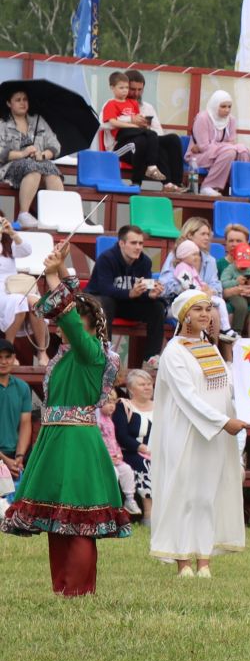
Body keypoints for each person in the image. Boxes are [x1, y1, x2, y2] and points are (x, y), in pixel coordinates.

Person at [1, 258, 129, 595]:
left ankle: (78, 591)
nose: (59, 325)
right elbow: (66, 313)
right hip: (56, 439)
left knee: (79, 520)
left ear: (87, 325)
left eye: (69, 321)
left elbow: (68, 316)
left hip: (76, 441)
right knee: (59, 520)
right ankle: (61, 589)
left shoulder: (92, 353)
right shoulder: (71, 354)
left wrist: (57, 274)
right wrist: (57, 272)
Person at [148, 288, 247, 576]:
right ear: (185, 316)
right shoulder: (174, 352)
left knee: (206, 495)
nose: (205, 314)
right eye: (198, 310)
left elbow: (225, 389)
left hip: (215, 434)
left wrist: (239, 415)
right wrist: (221, 422)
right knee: (185, 494)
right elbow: (187, 396)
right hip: (186, 431)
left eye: (208, 309)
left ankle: (203, 559)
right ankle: (182, 561)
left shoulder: (212, 348)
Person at [86, 225, 167, 351]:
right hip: (101, 304)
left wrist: (150, 294)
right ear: (122, 244)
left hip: (126, 304)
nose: (138, 247)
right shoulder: (106, 258)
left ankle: (152, 359)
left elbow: (143, 288)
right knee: (106, 302)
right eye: (134, 243)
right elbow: (105, 289)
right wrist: (130, 293)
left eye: (141, 243)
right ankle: (105, 353)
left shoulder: (145, 262)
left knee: (157, 307)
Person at [103, 69, 185, 189]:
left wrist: (145, 127)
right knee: (147, 142)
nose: (136, 94)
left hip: (145, 140)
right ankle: (154, 181)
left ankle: (176, 184)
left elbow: (158, 132)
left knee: (172, 139)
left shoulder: (147, 107)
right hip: (123, 146)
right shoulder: (110, 103)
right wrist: (130, 120)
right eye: (132, 89)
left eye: (139, 90)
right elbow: (104, 124)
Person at [0, 86, 67, 224]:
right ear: (9, 103)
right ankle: (23, 214)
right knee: (33, 167)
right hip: (9, 167)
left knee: (52, 170)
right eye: (18, 100)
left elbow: (55, 145)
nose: (22, 103)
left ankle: (57, 214)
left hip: (38, 163)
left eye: (25, 99)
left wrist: (42, 155)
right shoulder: (3, 124)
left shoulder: (38, 121)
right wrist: (22, 153)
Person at [0, 219, 52, 364]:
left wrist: (11, 233)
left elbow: (26, 250)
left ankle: (42, 351)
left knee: (36, 302)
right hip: (2, 292)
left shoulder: (7, 243)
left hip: (13, 285)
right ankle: (9, 350)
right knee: (18, 301)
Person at [187, 90, 250, 196]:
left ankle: (242, 188)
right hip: (198, 157)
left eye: (229, 106)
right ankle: (208, 186)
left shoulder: (231, 120)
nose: (227, 110)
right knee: (230, 152)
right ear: (215, 105)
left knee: (243, 151)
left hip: (218, 154)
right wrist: (225, 147)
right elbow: (204, 147)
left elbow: (231, 142)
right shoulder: (202, 118)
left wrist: (222, 146)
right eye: (223, 106)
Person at [114, 366, 155, 517]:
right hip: (130, 452)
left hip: (155, 451)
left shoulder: (160, 407)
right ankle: (149, 514)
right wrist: (142, 448)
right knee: (146, 464)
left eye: (149, 384)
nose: (147, 387)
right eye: (142, 384)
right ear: (131, 388)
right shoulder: (124, 405)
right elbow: (122, 436)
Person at [97, 389, 138, 518]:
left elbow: (113, 440)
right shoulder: (97, 420)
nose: (111, 406)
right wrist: (107, 458)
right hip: (102, 459)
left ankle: (129, 499)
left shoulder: (109, 420)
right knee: (112, 473)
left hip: (115, 457)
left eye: (113, 402)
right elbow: (98, 443)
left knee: (126, 470)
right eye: (107, 402)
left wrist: (119, 454)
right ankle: (108, 501)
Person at [0, 348, 37, 482]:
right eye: (0, 357)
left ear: (14, 358)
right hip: (4, 458)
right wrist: (5, 461)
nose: (3, 362)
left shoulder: (22, 387)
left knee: (13, 500)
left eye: (7, 357)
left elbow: (25, 423)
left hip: (14, 455)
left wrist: (19, 457)